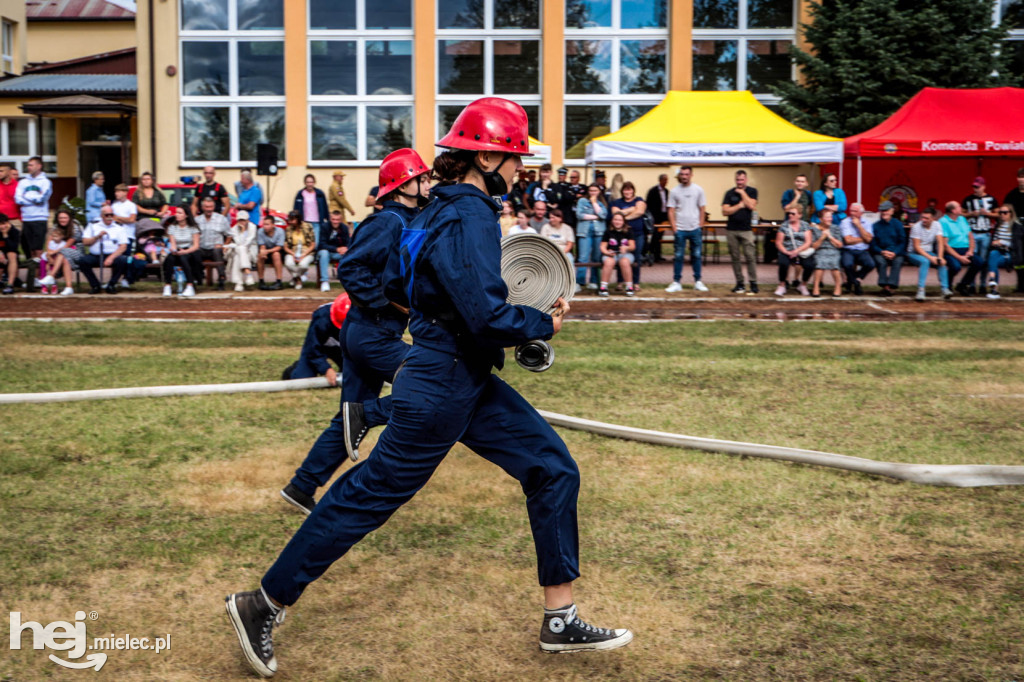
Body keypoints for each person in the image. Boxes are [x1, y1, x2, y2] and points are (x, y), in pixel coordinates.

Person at [225, 98, 630, 679]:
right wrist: (543, 321)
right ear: (488, 155)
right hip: (441, 382)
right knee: (368, 496)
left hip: (456, 372)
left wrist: (476, 311)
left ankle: (560, 617)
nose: (521, 170)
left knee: (552, 467)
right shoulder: (470, 216)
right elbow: (489, 319)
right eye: (516, 158)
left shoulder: (434, 210)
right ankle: (261, 603)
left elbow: (416, 287)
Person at [280, 148, 431, 514]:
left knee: (348, 414)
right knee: (433, 386)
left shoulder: (412, 217)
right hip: (371, 333)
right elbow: (351, 268)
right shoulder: (388, 221)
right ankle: (370, 416)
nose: (429, 183)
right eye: (423, 178)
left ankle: (301, 487)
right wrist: (386, 304)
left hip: (373, 333)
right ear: (402, 184)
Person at [281, 293, 350, 384]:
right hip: (321, 347)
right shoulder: (321, 318)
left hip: (346, 350)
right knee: (301, 378)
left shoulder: (368, 320)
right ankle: (295, 369)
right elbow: (312, 348)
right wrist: (326, 369)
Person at [665, 166, 707, 293]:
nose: (684, 176)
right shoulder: (674, 191)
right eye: (682, 174)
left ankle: (698, 281)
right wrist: (674, 228)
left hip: (695, 228)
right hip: (680, 229)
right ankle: (676, 282)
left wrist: (700, 225)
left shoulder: (698, 190)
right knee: (678, 256)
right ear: (679, 175)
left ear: (691, 175)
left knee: (697, 255)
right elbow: (671, 210)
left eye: (686, 174)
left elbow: (702, 208)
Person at [15, 156, 52, 291]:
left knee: (38, 250)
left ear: (39, 166)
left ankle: (40, 277)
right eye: (28, 165)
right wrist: (32, 198)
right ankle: (32, 277)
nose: (28, 167)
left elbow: (42, 199)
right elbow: (17, 198)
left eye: (31, 165)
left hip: (39, 218)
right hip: (27, 219)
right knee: (29, 250)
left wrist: (27, 197)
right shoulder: (23, 182)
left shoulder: (45, 182)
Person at [722, 169, 759, 295]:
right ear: (735, 180)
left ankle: (753, 284)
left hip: (746, 230)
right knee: (735, 258)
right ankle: (740, 284)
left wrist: (743, 193)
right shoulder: (729, 193)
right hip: (731, 229)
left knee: (750, 257)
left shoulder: (752, 191)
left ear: (746, 180)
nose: (739, 182)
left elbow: (752, 206)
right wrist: (739, 206)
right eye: (738, 180)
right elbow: (725, 211)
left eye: (742, 180)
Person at [79, 207, 129, 295]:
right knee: (83, 261)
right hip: (95, 255)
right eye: (107, 215)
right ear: (101, 216)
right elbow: (85, 242)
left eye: (111, 215)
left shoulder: (119, 228)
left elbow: (123, 246)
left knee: (123, 260)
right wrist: (97, 237)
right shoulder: (93, 226)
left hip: (112, 255)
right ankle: (95, 285)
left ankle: (111, 285)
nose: (109, 217)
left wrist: (111, 257)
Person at [905, 207, 950, 301]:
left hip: (928, 252)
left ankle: (945, 289)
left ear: (933, 218)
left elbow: (940, 242)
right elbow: (917, 247)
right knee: (925, 262)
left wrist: (940, 257)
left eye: (926, 218)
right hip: (913, 253)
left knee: (941, 262)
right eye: (922, 217)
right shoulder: (916, 227)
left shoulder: (937, 225)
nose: (923, 220)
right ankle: (921, 291)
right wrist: (930, 258)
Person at [939, 200, 983, 297]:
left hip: (965, 249)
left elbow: (970, 236)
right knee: (955, 266)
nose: (961, 209)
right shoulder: (943, 222)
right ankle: (948, 285)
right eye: (959, 207)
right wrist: (959, 257)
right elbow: (945, 244)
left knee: (979, 262)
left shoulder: (962, 219)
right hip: (951, 250)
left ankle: (963, 285)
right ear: (953, 211)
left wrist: (971, 251)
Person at [610, 182, 647, 290]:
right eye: (625, 190)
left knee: (636, 258)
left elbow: (640, 211)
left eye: (630, 189)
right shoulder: (617, 202)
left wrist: (624, 218)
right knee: (621, 256)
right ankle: (620, 282)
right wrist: (632, 209)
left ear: (633, 190)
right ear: (622, 191)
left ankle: (635, 283)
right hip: (622, 235)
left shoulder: (639, 200)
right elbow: (615, 214)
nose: (627, 192)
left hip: (637, 234)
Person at [963, 176, 998, 288]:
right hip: (973, 232)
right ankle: (971, 283)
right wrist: (971, 214)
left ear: (983, 187)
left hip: (985, 233)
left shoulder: (991, 199)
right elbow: (961, 214)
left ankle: (982, 283)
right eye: (974, 187)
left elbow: (998, 214)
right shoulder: (968, 199)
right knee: (973, 259)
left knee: (983, 260)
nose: (975, 189)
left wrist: (987, 213)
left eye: (977, 187)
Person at [38, 209, 83, 296]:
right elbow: (49, 240)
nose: (62, 220)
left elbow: (67, 245)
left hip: (76, 252)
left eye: (65, 218)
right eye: (60, 218)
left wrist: (52, 252)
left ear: (69, 218)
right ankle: (69, 287)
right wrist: (48, 255)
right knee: (65, 259)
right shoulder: (56, 227)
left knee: (63, 252)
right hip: (62, 255)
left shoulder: (75, 228)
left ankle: (51, 276)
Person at [161, 206, 200, 298]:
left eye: (180, 213)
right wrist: (173, 250)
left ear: (186, 215)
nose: (177, 215)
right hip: (178, 250)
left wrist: (185, 251)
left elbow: (196, 246)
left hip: (191, 251)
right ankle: (168, 285)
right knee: (170, 258)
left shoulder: (193, 227)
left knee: (184, 258)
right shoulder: (172, 227)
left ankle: (190, 285)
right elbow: (173, 243)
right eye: (176, 212)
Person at [774, 208, 815, 296]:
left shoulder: (805, 225)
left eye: (793, 214)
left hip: (802, 251)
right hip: (787, 250)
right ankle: (782, 285)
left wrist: (797, 250)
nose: (790, 215)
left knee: (810, 265)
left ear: (799, 215)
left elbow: (808, 242)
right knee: (783, 263)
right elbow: (778, 242)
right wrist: (786, 252)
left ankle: (803, 284)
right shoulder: (784, 226)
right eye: (789, 213)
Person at [869, 200, 906, 296]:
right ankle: (885, 286)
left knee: (897, 261)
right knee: (881, 261)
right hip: (880, 251)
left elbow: (902, 241)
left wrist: (895, 252)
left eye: (886, 210)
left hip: (895, 251)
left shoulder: (898, 224)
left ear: (891, 211)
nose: (884, 212)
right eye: (882, 210)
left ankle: (890, 286)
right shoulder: (875, 226)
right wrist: (882, 252)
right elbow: (873, 244)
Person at [195, 196, 232, 289]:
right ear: (202, 207)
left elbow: (229, 235)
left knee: (217, 252)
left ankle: (221, 278)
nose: (209, 209)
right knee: (195, 252)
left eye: (211, 207)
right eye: (206, 207)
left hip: (216, 248)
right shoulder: (197, 220)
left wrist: (224, 246)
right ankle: (197, 278)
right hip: (202, 247)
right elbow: (193, 235)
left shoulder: (221, 219)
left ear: (214, 207)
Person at [575, 184, 607, 290]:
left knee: (596, 257)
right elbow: (579, 215)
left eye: (595, 190)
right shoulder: (582, 201)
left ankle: (594, 281)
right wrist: (595, 217)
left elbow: (603, 215)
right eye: (591, 190)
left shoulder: (602, 203)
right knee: (583, 257)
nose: (593, 192)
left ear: (599, 192)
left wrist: (594, 203)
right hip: (584, 232)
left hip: (599, 232)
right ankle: (579, 281)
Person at [984, 204, 1020, 299]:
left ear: (1011, 214)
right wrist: (995, 243)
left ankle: (994, 288)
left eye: (1005, 212)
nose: (1002, 215)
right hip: (998, 252)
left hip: (1010, 254)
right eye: (1000, 213)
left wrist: (1001, 242)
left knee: (993, 260)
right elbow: (993, 242)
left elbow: (1017, 245)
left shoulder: (1016, 227)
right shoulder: (998, 225)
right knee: (993, 254)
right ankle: (993, 284)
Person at [839, 203, 874, 295]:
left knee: (870, 264)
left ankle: (853, 281)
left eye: (855, 211)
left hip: (862, 251)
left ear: (861, 213)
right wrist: (863, 239)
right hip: (848, 250)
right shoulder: (845, 222)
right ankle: (856, 283)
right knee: (847, 264)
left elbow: (869, 240)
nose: (852, 213)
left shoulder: (867, 223)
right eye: (851, 211)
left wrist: (859, 226)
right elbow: (847, 240)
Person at [599, 212, 636, 297]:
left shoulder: (629, 230)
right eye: (615, 219)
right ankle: (603, 287)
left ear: (623, 221)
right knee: (609, 262)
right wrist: (607, 252)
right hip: (611, 254)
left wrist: (626, 248)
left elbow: (633, 246)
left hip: (625, 254)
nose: (617, 222)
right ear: (612, 221)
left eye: (620, 220)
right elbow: (602, 246)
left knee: (624, 262)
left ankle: (629, 287)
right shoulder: (608, 231)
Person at [809, 208, 843, 297]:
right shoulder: (815, 229)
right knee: (820, 262)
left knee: (835, 263)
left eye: (831, 217)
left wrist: (830, 236)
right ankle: (816, 287)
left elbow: (840, 245)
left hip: (834, 250)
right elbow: (814, 246)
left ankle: (838, 287)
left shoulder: (836, 228)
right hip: (820, 250)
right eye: (827, 217)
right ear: (821, 219)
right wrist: (822, 237)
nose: (830, 219)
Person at [316, 211, 350, 292]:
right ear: (330, 219)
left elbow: (349, 242)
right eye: (333, 219)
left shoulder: (344, 228)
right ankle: (325, 281)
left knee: (350, 254)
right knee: (324, 253)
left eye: (337, 220)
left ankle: (348, 280)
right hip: (327, 252)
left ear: (341, 220)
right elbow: (321, 244)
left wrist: (346, 248)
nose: (335, 221)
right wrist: (336, 249)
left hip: (339, 253)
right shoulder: (324, 227)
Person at [226, 209, 258, 292]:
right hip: (240, 251)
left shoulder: (253, 227)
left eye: (243, 220)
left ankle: (239, 283)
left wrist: (243, 231)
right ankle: (248, 274)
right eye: (240, 220)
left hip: (251, 251)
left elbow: (247, 243)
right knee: (238, 253)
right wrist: (242, 231)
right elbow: (239, 243)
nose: (242, 222)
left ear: (248, 220)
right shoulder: (234, 229)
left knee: (240, 251)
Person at [283, 210, 317, 289]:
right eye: (289, 219)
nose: (290, 222)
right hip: (293, 251)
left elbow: (313, 244)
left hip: (307, 251)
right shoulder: (288, 229)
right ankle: (298, 279)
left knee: (303, 265)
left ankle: (294, 278)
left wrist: (303, 255)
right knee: (288, 263)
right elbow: (285, 246)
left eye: (292, 219)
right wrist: (293, 254)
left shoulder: (308, 226)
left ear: (298, 219)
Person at [131, 172, 168, 237]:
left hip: (156, 219)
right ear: (141, 181)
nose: (146, 181)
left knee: (156, 238)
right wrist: (147, 211)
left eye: (148, 179)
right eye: (144, 179)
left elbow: (165, 204)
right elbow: (135, 206)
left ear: (152, 180)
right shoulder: (137, 192)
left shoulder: (158, 192)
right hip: (142, 219)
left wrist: (162, 212)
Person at [645, 173, 670, 263]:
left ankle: (658, 255)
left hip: (663, 216)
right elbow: (648, 203)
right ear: (660, 180)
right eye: (664, 180)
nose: (666, 182)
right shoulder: (653, 191)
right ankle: (652, 254)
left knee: (660, 236)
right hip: (655, 216)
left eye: (667, 180)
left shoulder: (666, 191)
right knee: (655, 236)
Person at [257, 215, 286, 290]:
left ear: (273, 225)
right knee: (260, 256)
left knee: (276, 255)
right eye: (264, 224)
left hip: (277, 251)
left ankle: (279, 281)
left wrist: (267, 251)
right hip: (266, 250)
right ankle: (261, 281)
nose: (265, 226)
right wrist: (263, 252)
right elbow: (262, 245)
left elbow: (279, 247)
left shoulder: (280, 231)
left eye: (267, 224)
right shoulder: (260, 231)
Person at [550, 167, 578, 231]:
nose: (560, 177)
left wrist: (563, 198)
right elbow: (554, 199)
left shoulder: (570, 186)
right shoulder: (554, 186)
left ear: (565, 176)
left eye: (562, 175)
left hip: (568, 215)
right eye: (559, 175)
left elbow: (571, 198)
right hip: (557, 213)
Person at [0, 213, 20, 294]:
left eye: (4, 223)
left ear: (8, 223)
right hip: (1, 256)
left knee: (11, 254)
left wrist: (5, 235)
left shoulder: (15, 232)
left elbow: (13, 247)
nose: (2, 226)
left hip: (11, 257)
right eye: (0, 224)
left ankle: (10, 285)